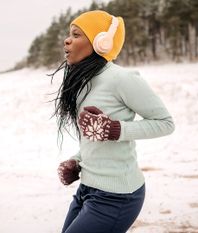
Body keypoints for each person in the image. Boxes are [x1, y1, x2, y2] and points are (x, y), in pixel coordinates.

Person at [50, 10, 175, 233]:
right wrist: (78, 162)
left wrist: (115, 129)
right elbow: (96, 139)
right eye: (69, 34)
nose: (67, 40)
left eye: (76, 35)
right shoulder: (84, 82)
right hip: (87, 189)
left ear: (102, 42)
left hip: (118, 197)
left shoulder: (122, 79)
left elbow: (165, 123)